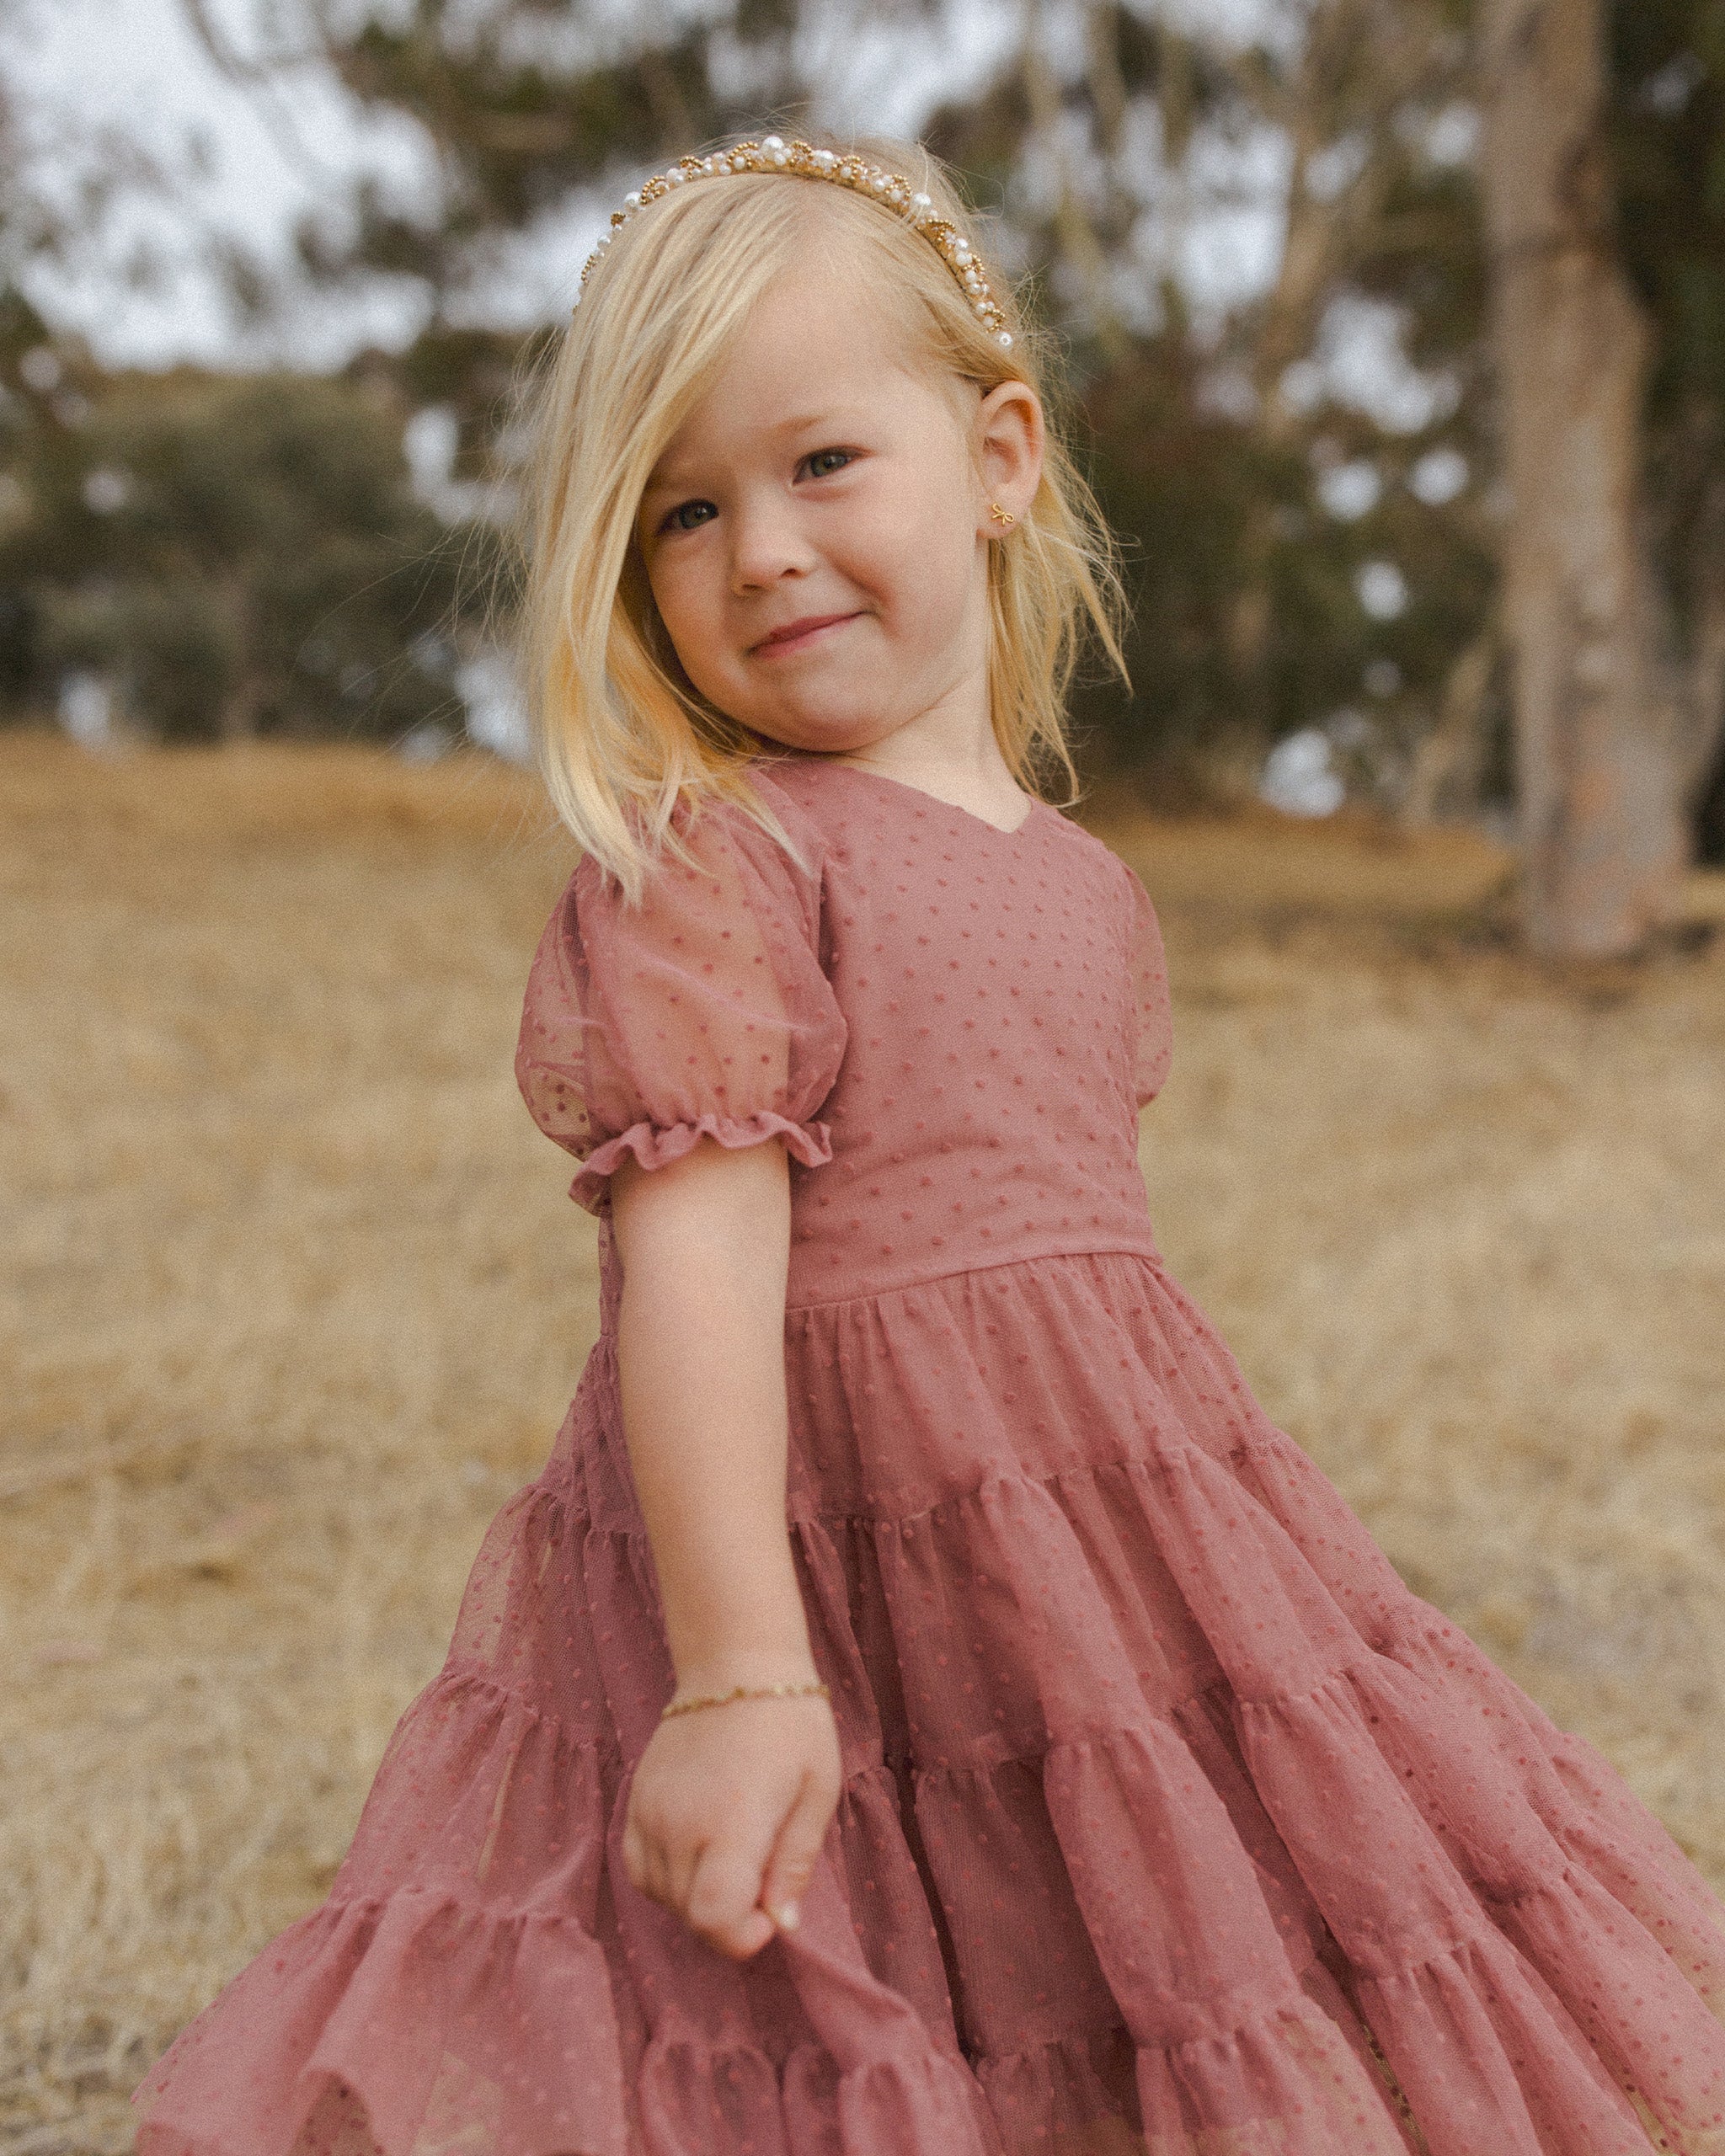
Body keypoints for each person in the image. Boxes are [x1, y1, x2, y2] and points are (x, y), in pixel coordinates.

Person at [133, 132, 1725, 2156]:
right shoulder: (719, 862)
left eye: (819, 465)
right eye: (682, 512)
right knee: (823, 1973)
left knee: (1117, 1937)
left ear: (998, 455)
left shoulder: (1092, 889)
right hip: (793, 1545)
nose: (763, 551)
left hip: (1096, 1545)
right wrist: (732, 1674)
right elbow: (692, 1266)